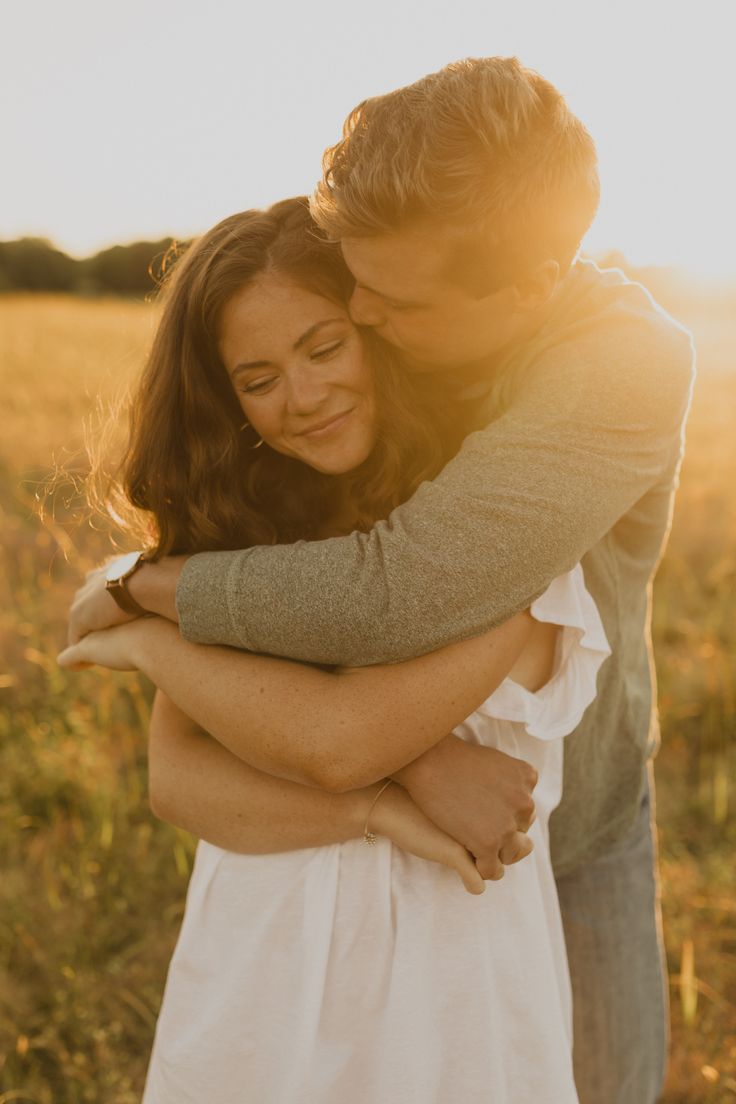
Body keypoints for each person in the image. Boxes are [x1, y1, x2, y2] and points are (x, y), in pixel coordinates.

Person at [67, 57, 695, 1104]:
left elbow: (390, 595)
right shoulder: (358, 379)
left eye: (377, 303)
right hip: (310, 898)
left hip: (558, 827)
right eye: (346, 281)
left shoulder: (612, 366)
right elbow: (184, 769)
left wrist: (142, 599)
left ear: (524, 287)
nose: (356, 311)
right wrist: (406, 778)